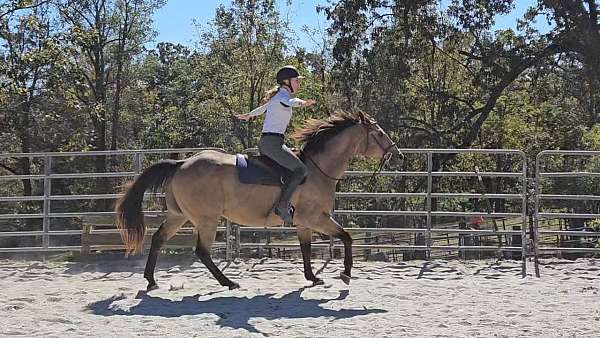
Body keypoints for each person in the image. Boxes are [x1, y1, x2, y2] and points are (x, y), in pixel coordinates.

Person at [235, 65, 316, 223]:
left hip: (273, 142)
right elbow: (291, 101)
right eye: (296, 80)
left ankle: (285, 199)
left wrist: (248, 115)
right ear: (286, 82)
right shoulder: (283, 97)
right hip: (272, 144)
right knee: (300, 169)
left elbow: (262, 109)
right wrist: (303, 103)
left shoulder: (277, 97)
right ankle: (282, 205)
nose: (298, 84)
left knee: (292, 167)